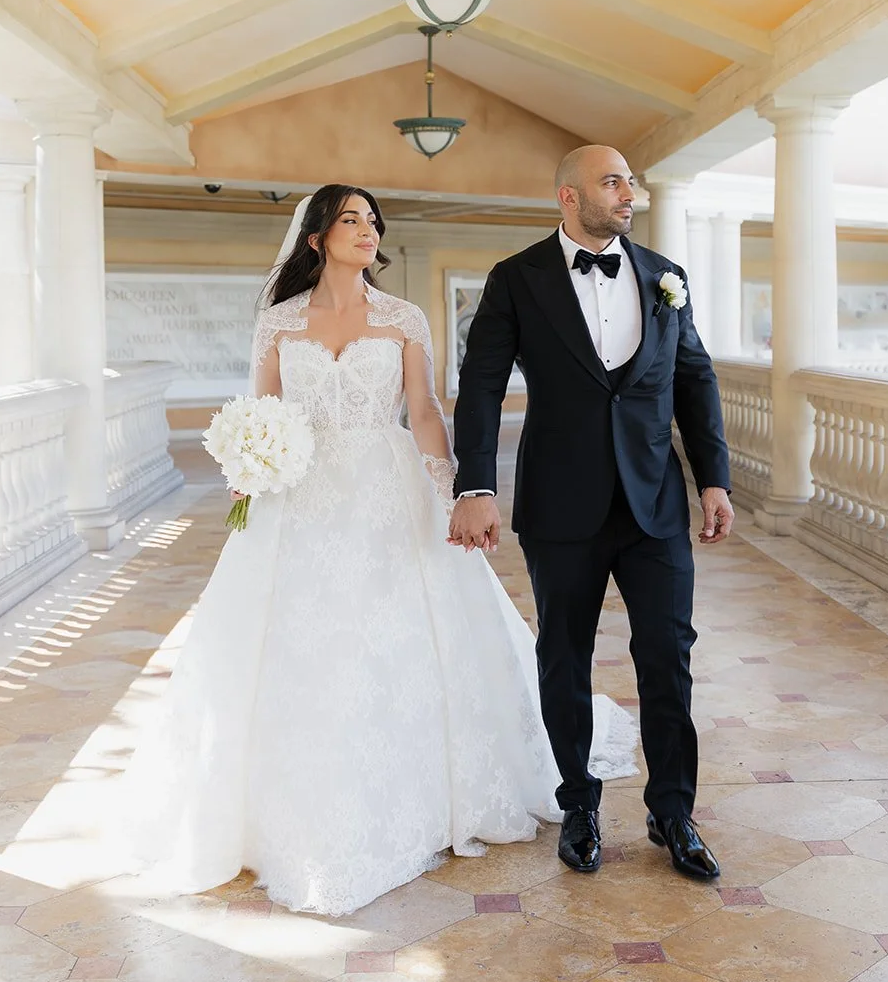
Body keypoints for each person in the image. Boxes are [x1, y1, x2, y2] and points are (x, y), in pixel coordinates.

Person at [115, 184, 636, 917]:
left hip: (388, 489)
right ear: (316, 237)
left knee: (395, 635)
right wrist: (250, 469)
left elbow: (422, 409)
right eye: (350, 220)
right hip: (297, 498)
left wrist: (450, 489)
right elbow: (262, 412)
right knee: (300, 644)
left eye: (371, 221)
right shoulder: (278, 323)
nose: (366, 231)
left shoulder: (401, 318)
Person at [450, 146, 734, 881]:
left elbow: (694, 379)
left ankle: (673, 811)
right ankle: (577, 804)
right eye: (612, 182)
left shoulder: (664, 276)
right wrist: (473, 484)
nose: (628, 193)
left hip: (656, 503)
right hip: (559, 502)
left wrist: (713, 479)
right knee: (563, 658)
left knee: (667, 659)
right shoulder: (517, 279)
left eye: (630, 181)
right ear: (569, 197)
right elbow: (480, 385)